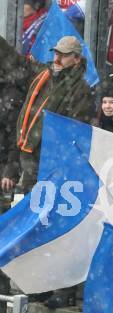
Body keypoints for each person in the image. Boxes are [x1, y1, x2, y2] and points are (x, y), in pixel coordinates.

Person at [0, 35, 94, 194]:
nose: (58, 59)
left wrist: (55, 161)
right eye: (56, 53)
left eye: (64, 55)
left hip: (49, 164)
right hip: (28, 160)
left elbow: (74, 131)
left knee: (41, 211)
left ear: (77, 59)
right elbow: (14, 61)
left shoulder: (81, 90)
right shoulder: (43, 74)